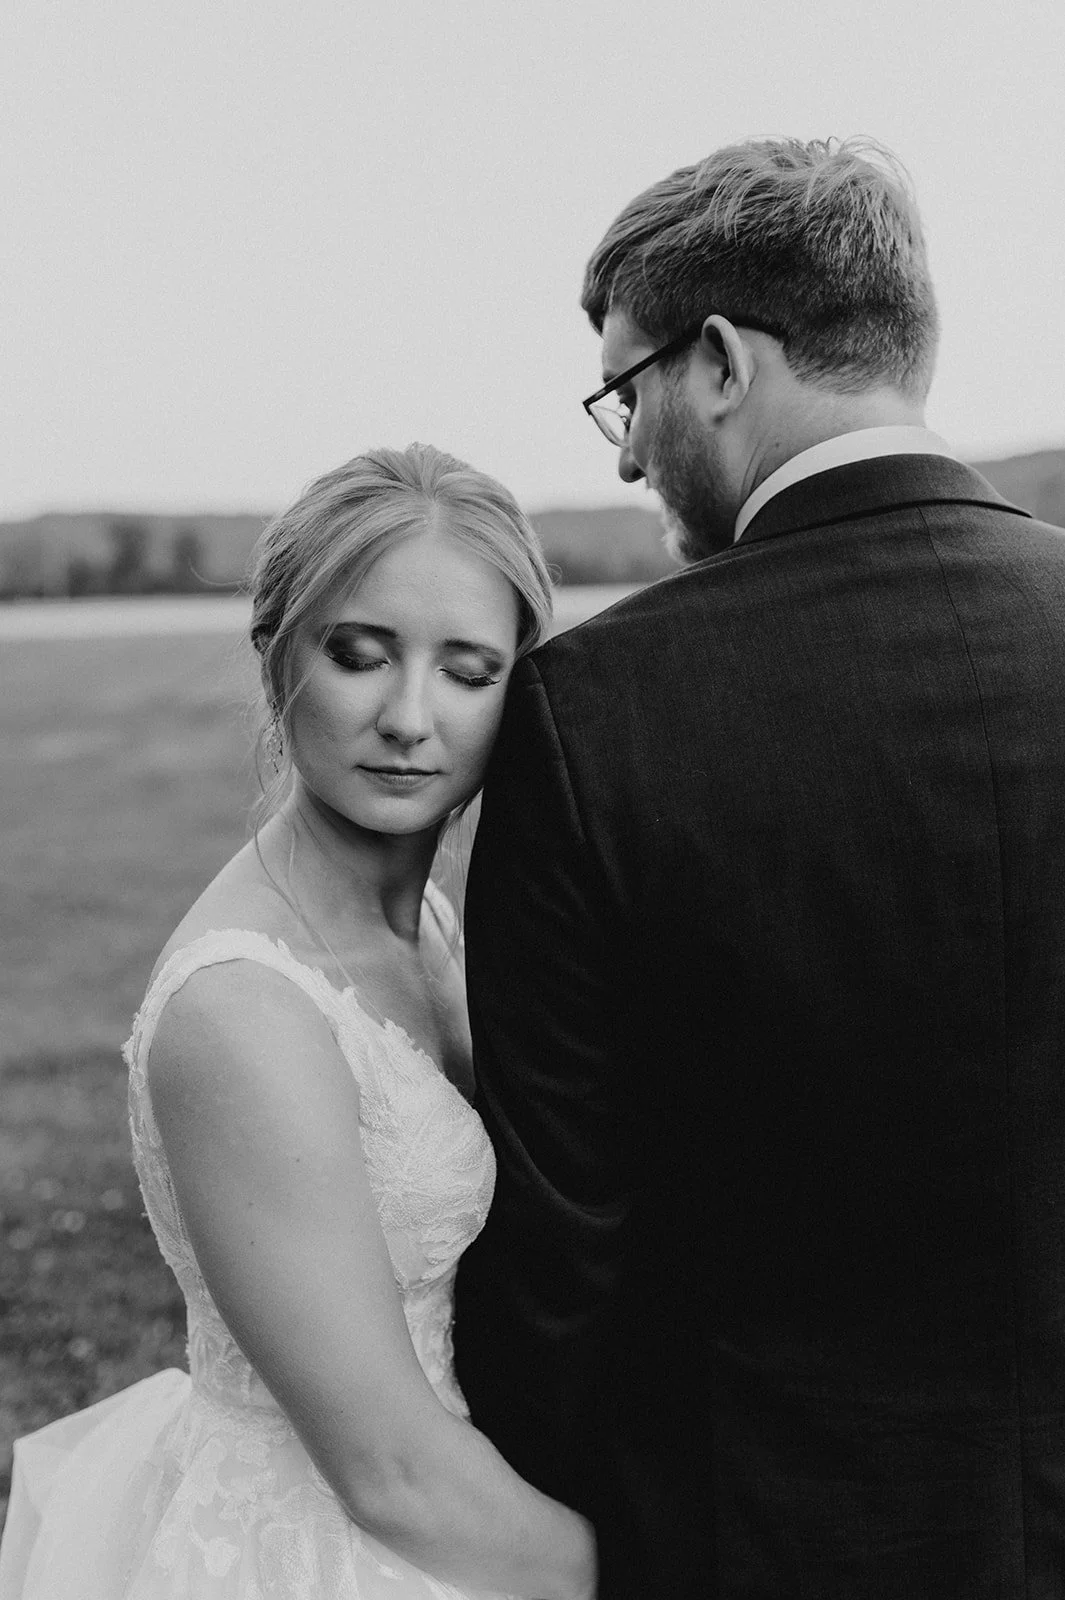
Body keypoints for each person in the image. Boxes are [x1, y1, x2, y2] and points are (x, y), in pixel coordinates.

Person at [453, 137, 1065, 1598]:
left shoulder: (596, 706)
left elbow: (564, 1232)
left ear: (720, 360)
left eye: (628, 387)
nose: (620, 447)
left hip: (757, 1529)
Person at [0, 443, 597, 1600]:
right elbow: (386, 1474)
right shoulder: (244, 1006)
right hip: (331, 1548)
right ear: (277, 654)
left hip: (466, 1502)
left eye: (468, 671)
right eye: (360, 655)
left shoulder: (421, 917)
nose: (409, 717)